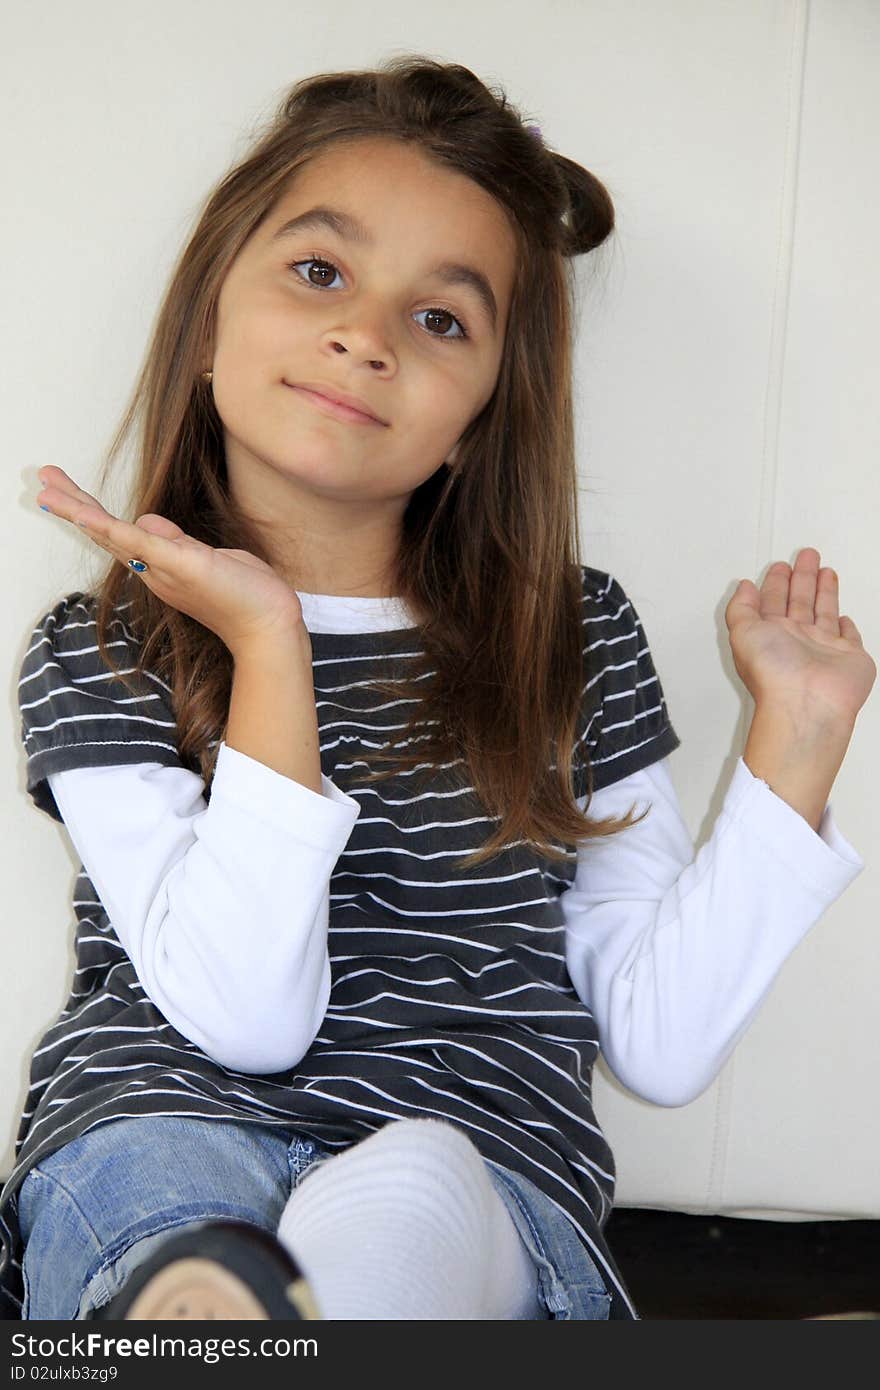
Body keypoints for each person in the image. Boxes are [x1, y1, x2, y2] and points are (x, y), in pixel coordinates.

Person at [2, 55, 873, 1322]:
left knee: (419, 1174)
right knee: (181, 1218)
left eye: (441, 317)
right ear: (204, 329)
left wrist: (796, 745)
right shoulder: (102, 645)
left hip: (476, 1188)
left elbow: (660, 1042)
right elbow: (247, 1019)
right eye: (319, 272)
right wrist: (267, 648)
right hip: (165, 1147)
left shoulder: (568, 634)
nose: (363, 333)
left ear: (475, 419)